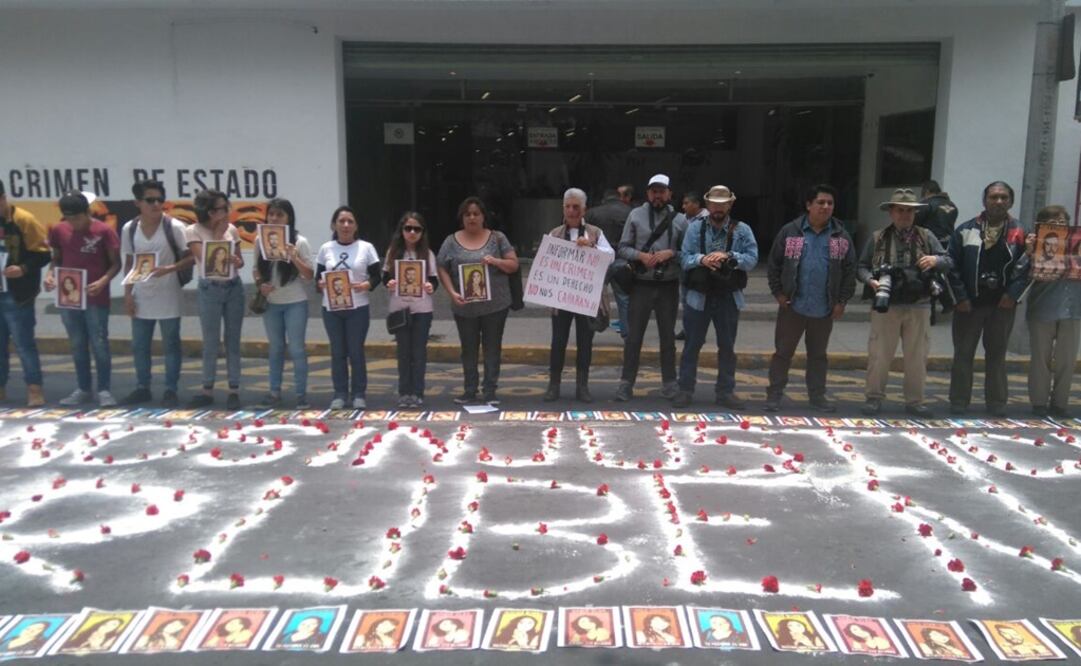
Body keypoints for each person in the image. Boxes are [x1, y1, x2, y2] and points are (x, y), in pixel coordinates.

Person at [857, 188, 952, 416]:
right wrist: (871, 281)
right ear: (891, 212)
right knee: (879, 354)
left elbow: (949, 260)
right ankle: (874, 397)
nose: (905, 215)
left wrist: (935, 259)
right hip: (886, 305)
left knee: (917, 357)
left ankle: (915, 401)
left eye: (910, 211)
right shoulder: (878, 238)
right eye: (900, 210)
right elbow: (861, 267)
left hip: (919, 303)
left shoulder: (927, 236)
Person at [765, 184, 856, 413]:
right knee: (783, 353)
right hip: (792, 306)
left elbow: (849, 270)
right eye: (821, 202)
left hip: (824, 308)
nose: (826, 207)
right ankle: (774, 395)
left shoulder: (840, 236)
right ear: (808, 205)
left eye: (830, 203)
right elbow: (774, 264)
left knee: (818, 356)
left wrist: (841, 301)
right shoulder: (791, 232)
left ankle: (817, 397)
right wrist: (778, 293)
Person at [947, 181, 1029, 417]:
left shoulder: (1020, 233)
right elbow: (951, 266)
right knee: (963, 354)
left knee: (997, 356)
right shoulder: (965, 230)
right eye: (994, 197)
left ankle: (997, 403)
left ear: (1011, 202)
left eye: (1004, 197)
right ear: (985, 201)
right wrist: (960, 297)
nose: (999, 201)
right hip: (969, 305)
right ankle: (959, 401)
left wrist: (1012, 295)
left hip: (1002, 305)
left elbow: (1026, 269)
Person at [672, 185, 757, 409]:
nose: (718, 208)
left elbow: (752, 258)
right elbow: (684, 258)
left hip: (729, 296)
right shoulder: (694, 229)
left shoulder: (743, 230)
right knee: (692, 345)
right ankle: (685, 390)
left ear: (730, 204)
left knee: (727, 347)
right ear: (707, 205)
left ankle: (725, 392)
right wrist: (703, 260)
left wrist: (730, 256)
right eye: (714, 204)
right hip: (699, 295)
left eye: (723, 204)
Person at [437, 196, 518, 405]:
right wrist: (452, 292)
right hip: (464, 308)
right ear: (462, 218)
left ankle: (490, 390)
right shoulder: (450, 241)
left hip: (495, 306)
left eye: (476, 213)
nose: (472, 217)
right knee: (468, 349)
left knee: (492, 347)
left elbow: (513, 265)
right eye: (467, 214)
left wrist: (495, 261)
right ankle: (469, 390)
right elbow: (441, 268)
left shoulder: (497, 238)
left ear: (483, 217)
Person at [121, 179, 193, 408]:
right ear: (137, 203)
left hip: (168, 293)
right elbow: (129, 262)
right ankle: (143, 387)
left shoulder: (175, 227)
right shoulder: (129, 229)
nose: (156, 204)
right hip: (142, 294)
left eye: (159, 200)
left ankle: (170, 388)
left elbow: (193, 256)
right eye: (150, 200)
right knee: (140, 345)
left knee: (171, 343)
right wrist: (128, 294)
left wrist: (169, 269)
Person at [614, 174, 687, 402]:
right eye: (654, 191)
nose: (658, 195)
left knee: (668, 338)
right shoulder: (635, 215)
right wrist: (641, 256)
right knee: (634, 337)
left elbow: (689, 254)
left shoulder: (681, 220)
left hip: (668, 286)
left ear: (669, 193)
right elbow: (623, 248)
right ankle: (626, 384)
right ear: (647, 194)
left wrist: (671, 253)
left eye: (662, 191)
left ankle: (669, 383)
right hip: (641, 285)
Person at [45, 192, 120, 406]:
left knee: (99, 342)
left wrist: (104, 281)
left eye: (77, 218)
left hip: (95, 295)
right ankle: (83, 387)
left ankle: (104, 389)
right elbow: (56, 259)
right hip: (69, 296)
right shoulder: (59, 230)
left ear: (87, 212)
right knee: (77, 343)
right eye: (69, 219)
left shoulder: (103, 231)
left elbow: (116, 263)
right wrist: (51, 275)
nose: (74, 223)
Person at [544, 188, 614, 403]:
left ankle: (582, 386)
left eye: (576, 207)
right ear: (563, 208)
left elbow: (610, 256)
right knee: (558, 341)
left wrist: (592, 247)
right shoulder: (555, 234)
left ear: (584, 209)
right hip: (561, 298)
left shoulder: (595, 232)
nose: (572, 211)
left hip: (586, 298)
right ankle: (553, 385)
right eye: (568, 207)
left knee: (585, 342)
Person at [316, 205, 381, 409]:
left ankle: (359, 393)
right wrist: (319, 284)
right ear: (334, 225)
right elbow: (318, 279)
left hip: (358, 308)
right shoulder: (326, 248)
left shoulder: (366, 247)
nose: (345, 225)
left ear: (355, 226)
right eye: (341, 221)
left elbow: (377, 276)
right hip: (332, 308)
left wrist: (366, 285)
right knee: (338, 352)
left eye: (349, 221)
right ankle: (340, 393)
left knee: (355, 351)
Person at [186, 190, 245, 410]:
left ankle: (234, 388)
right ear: (210, 212)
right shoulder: (194, 231)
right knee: (211, 341)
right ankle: (207, 388)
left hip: (233, 287)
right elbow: (205, 261)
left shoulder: (233, 229)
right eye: (221, 208)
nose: (225, 212)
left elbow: (240, 263)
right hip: (209, 288)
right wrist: (219, 236)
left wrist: (236, 260)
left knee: (233, 340)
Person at [254, 198, 313, 409]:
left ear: (289, 218)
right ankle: (274, 392)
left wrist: (294, 257)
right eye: (272, 214)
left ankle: (300, 394)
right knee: (276, 348)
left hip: (295, 302)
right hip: (272, 302)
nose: (275, 218)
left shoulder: (299, 241)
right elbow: (256, 270)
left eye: (280, 215)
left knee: (297, 348)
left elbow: (309, 275)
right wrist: (261, 284)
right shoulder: (260, 240)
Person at [1024, 205, 1081, 418]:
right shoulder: (1037, 243)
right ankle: (1038, 403)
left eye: (1062, 222)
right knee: (1040, 358)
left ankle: (1060, 404)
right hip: (1043, 307)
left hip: (1073, 308)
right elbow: (1022, 275)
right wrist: (1029, 252)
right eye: (1053, 223)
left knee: (1067, 360)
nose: (1059, 226)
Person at [0, 179, 50, 407]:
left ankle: (34, 388)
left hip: (18, 293)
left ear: (3, 198)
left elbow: (43, 254)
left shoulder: (24, 220)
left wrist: (22, 269)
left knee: (23, 343)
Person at [383, 211, 438, 408]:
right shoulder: (393, 252)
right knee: (403, 352)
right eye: (408, 228)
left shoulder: (428, 254)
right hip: (400, 309)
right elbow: (384, 277)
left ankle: (418, 392)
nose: (412, 232)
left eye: (417, 229)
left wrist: (431, 286)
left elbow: (433, 279)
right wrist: (389, 282)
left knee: (419, 353)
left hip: (422, 309)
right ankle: (404, 392)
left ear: (422, 232)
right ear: (402, 230)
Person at [586, 188, 633, 337]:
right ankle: (627, 335)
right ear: (618, 198)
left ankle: (589, 332)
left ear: (604, 199)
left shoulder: (593, 213)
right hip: (621, 259)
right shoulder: (630, 212)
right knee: (624, 299)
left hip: (598, 261)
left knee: (592, 297)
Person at [674, 191, 708, 341]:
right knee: (686, 299)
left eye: (687, 203)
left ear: (696, 204)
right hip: (685, 262)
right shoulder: (683, 219)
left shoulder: (707, 219)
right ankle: (688, 329)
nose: (684, 206)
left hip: (701, 264)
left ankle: (696, 330)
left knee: (698, 300)